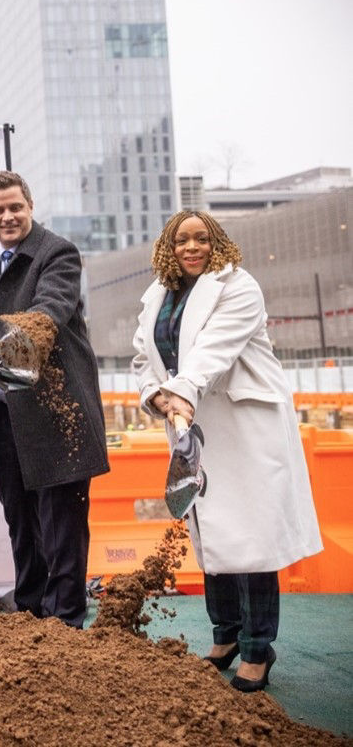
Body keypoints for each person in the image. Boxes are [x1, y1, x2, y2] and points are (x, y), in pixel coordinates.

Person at [131, 210, 322, 691]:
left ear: (217, 242)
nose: (191, 247)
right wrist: (154, 393)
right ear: (168, 247)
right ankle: (226, 635)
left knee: (250, 538)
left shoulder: (239, 286)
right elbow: (142, 354)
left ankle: (259, 647)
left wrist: (182, 389)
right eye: (181, 240)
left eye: (201, 238)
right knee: (210, 529)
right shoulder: (157, 295)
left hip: (242, 423)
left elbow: (214, 349)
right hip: (192, 421)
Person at [0, 170, 108, 628]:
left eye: (15, 207)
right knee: (21, 521)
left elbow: (48, 313)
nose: (7, 216)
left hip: (59, 415)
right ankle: (32, 609)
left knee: (62, 526)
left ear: (30, 207)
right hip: (6, 417)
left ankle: (66, 619)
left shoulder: (56, 253)